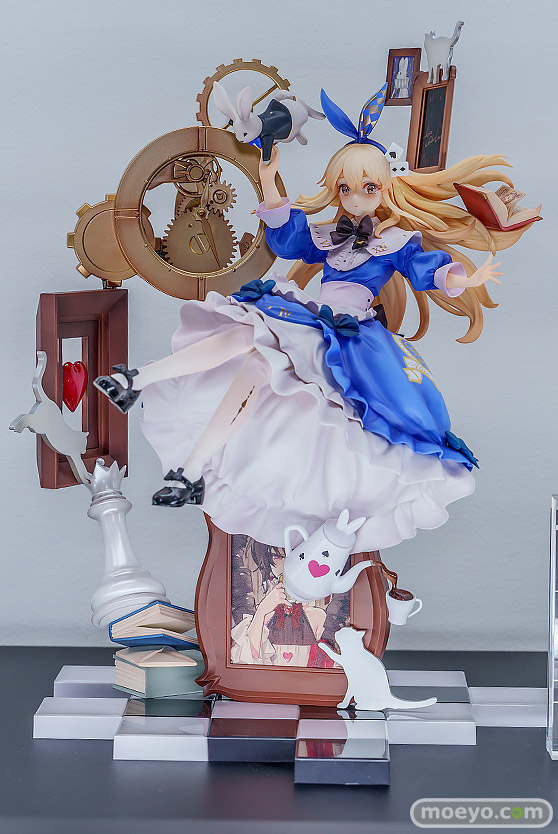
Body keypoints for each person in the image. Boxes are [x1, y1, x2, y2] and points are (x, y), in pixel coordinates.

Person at [94, 84, 536, 553]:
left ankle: (186, 464)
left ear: (385, 189)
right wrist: (268, 179)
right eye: (345, 188)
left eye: (368, 188)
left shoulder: (395, 243)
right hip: (312, 317)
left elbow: (427, 270)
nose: (355, 198)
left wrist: (466, 278)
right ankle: (141, 389)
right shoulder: (327, 234)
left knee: (257, 359)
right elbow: (287, 239)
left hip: (348, 335)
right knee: (247, 340)